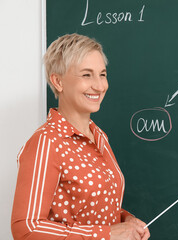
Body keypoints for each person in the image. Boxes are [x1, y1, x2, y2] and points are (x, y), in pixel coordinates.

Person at [11, 33, 150, 240]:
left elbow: (93, 208)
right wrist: (106, 234)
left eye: (102, 74)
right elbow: (26, 228)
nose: (99, 86)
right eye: (87, 75)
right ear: (58, 81)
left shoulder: (99, 136)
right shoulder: (46, 142)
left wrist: (125, 220)